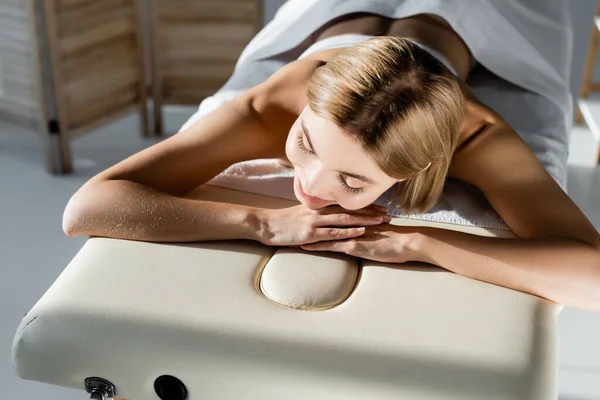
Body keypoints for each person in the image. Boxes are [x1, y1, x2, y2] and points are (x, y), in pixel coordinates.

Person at [62, 14, 600, 311]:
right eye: (306, 146)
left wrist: (421, 244)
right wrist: (264, 222)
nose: (311, 187)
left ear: (416, 170)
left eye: (352, 179)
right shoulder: (276, 103)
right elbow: (88, 206)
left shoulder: (479, 140)